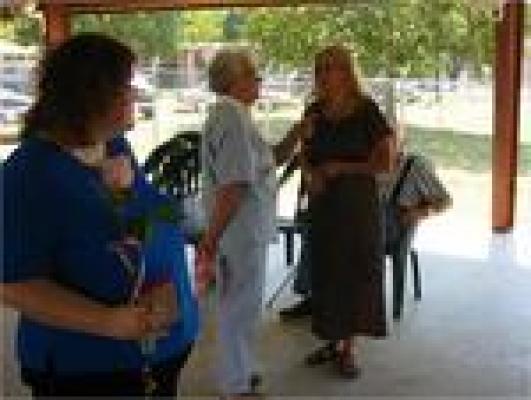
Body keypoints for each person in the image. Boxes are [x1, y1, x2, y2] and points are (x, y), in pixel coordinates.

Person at [1, 33, 199, 398]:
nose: (135, 94)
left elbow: (143, 218)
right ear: (91, 94)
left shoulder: (113, 146)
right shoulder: (28, 174)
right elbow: (13, 284)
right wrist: (107, 321)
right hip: (90, 368)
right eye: (126, 85)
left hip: (159, 350)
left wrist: (168, 214)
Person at [196, 49, 308, 399]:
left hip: (242, 228)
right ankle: (235, 385)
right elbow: (235, 185)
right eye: (254, 76)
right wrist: (211, 239)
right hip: (238, 230)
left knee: (242, 304)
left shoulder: (236, 115)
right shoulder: (231, 117)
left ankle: (242, 370)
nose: (259, 82)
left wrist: (297, 133)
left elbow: (267, 160)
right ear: (236, 80)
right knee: (239, 307)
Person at [299, 45, 396, 378]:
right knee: (327, 273)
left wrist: (342, 167)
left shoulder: (366, 110)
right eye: (320, 68)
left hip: (357, 207)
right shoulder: (313, 111)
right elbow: (305, 155)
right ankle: (332, 341)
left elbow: (386, 162)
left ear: (347, 72)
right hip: (323, 206)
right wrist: (309, 175)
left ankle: (349, 349)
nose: (325, 74)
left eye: (333, 67)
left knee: (354, 274)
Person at [383, 127, 452, 319]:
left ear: (401, 142)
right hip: (367, 228)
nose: (383, 147)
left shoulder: (415, 166)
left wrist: (419, 212)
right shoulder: (370, 165)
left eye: (390, 140)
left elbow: (445, 201)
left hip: (393, 233)